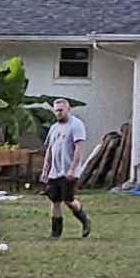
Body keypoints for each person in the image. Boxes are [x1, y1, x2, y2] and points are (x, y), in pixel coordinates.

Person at [41, 99, 91, 238]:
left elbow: (78, 149)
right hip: (54, 172)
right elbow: (50, 150)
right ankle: (55, 233)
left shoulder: (76, 125)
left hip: (69, 171)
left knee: (68, 200)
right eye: (56, 110)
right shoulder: (54, 128)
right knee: (54, 200)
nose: (58, 113)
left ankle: (85, 219)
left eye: (61, 110)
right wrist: (45, 169)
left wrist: (72, 169)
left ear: (68, 109)